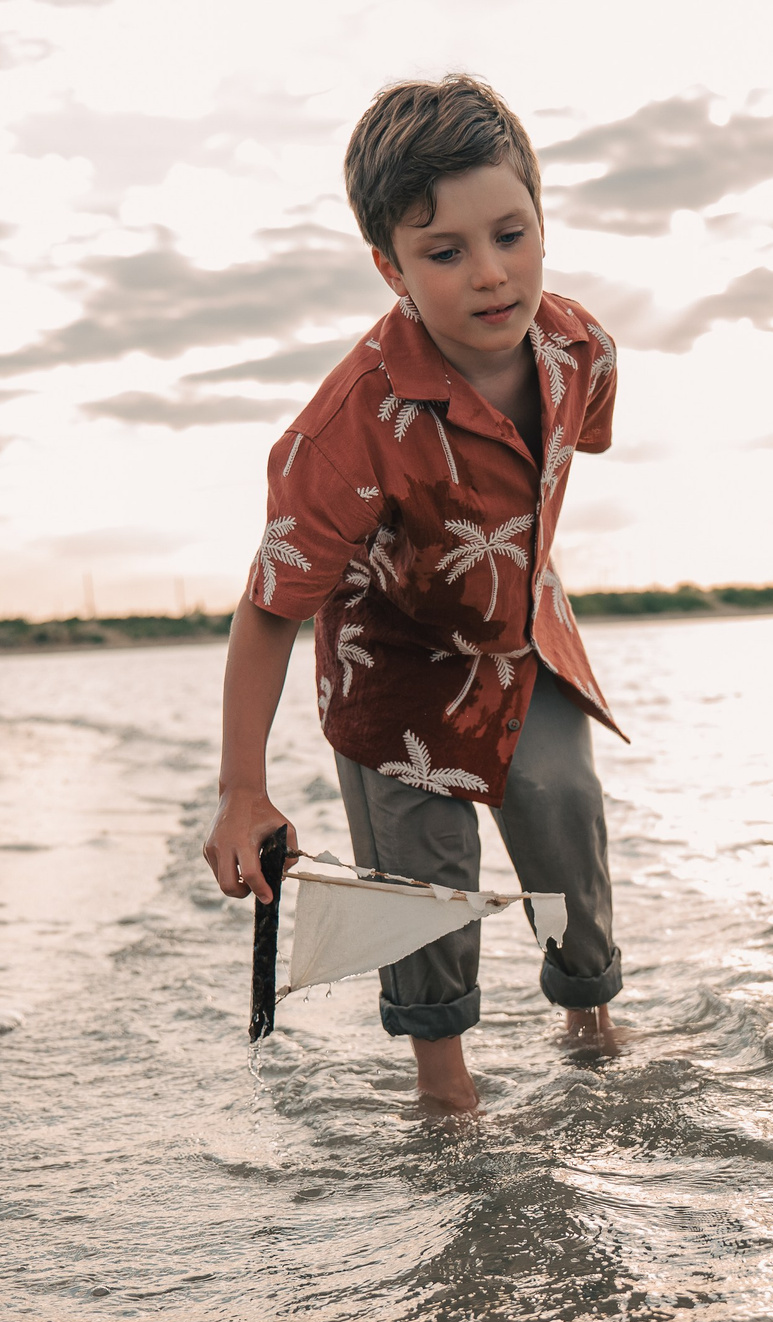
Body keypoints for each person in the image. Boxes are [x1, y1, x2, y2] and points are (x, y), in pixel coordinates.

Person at [203, 74, 626, 1113]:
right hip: (390, 681)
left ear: (540, 218)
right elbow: (269, 607)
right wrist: (240, 789)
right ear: (390, 266)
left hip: (523, 647)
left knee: (565, 817)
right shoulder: (345, 426)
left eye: (511, 234)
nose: (491, 274)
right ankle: (446, 1093)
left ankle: (593, 1027)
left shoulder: (581, 353)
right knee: (425, 894)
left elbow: (547, 479)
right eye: (445, 253)